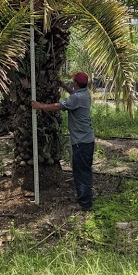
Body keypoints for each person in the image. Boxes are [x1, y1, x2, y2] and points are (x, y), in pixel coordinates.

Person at [31, 71, 94, 211]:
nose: (72, 83)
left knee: (81, 172)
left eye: (73, 82)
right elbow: (73, 94)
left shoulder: (76, 98)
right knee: (85, 170)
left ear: (76, 83)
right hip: (88, 140)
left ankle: (85, 203)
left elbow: (57, 106)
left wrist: (40, 106)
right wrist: (64, 86)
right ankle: (86, 197)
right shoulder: (84, 95)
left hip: (81, 142)